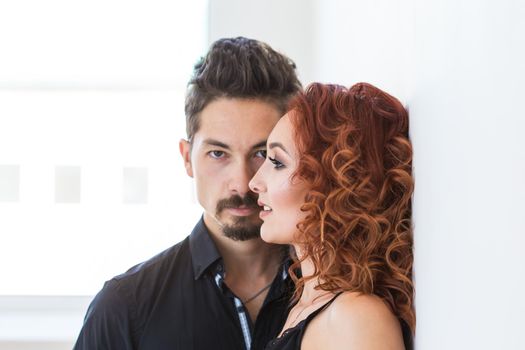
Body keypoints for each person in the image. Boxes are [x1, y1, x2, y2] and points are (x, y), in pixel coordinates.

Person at [74, 37, 302, 350]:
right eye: (219, 154)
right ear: (186, 158)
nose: (242, 182)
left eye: (262, 153)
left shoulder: (336, 298)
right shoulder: (123, 309)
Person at [249, 82, 415, 350]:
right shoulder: (300, 304)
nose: (255, 182)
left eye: (277, 162)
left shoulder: (355, 318)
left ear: (334, 183)